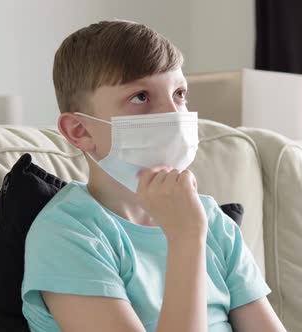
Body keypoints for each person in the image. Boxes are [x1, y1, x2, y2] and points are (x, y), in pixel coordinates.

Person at [21, 19, 286, 332]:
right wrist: (185, 239)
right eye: (141, 97)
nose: (174, 116)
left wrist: (194, 230)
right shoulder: (68, 234)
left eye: (179, 94)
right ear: (80, 130)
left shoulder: (213, 222)